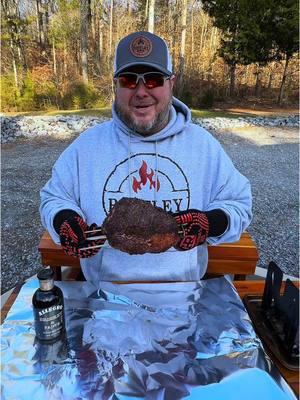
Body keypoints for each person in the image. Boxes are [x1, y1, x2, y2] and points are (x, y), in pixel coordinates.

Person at [40, 31, 252, 283]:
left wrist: (211, 222)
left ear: (171, 83)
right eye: (129, 80)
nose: (141, 91)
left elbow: (239, 203)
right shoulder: (87, 146)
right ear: (115, 86)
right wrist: (63, 219)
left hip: (181, 294)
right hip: (105, 294)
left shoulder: (203, 146)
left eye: (153, 80)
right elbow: (54, 197)